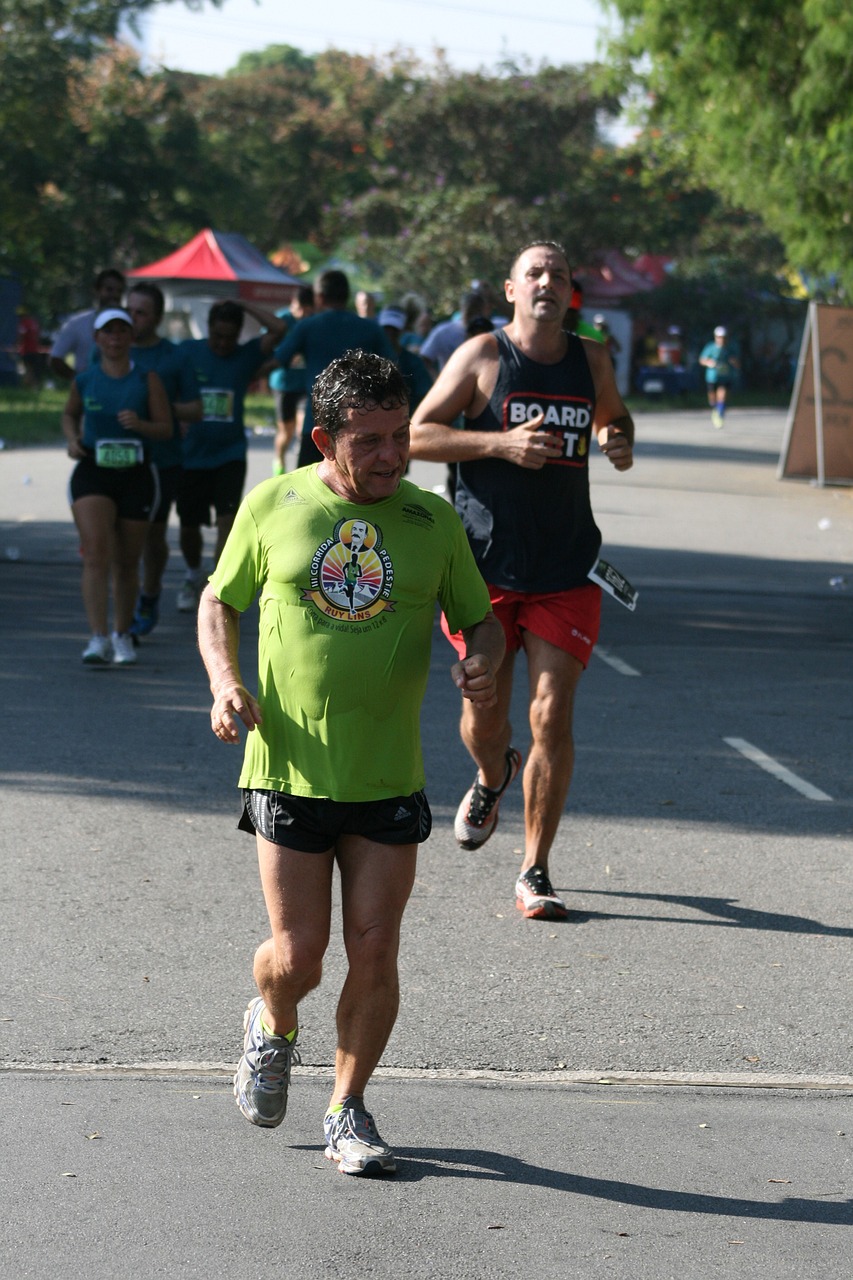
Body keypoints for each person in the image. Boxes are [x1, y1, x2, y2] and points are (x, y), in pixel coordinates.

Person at [197, 349, 504, 1176]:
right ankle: (272, 1025)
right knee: (297, 957)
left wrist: (481, 659)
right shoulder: (276, 503)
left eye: (399, 436)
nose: (392, 456)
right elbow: (218, 602)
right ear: (325, 438)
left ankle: (348, 1107)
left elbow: (482, 621)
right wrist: (226, 683)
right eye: (368, 440)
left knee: (374, 947)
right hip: (288, 768)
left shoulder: (430, 522)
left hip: (388, 776)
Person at [409, 239, 635, 921]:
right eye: (532, 273)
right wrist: (498, 444)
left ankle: (534, 868)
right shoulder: (481, 356)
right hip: (482, 567)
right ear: (511, 289)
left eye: (557, 275)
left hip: (566, 565)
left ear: (569, 293)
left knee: (550, 713)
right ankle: (490, 773)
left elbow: (613, 417)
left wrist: (616, 437)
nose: (545, 283)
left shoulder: (589, 356)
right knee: (483, 711)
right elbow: (418, 433)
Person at [61, 308, 171, 665]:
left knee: (127, 561)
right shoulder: (85, 379)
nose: (114, 338)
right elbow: (69, 414)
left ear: (130, 338)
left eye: (121, 331)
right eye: (107, 332)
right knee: (95, 553)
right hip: (94, 471)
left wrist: (140, 424)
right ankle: (97, 637)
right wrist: (73, 439)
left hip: (136, 475)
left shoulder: (146, 379)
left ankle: (122, 634)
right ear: (97, 339)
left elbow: (165, 428)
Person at [176, 299, 286, 612]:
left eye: (229, 336)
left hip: (230, 454)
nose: (223, 343)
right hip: (191, 456)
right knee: (189, 525)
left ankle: (214, 585)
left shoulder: (246, 355)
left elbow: (279, 328)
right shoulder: (188, 351)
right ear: (208, 327)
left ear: (238, 333)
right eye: (217, 335)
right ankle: (192, 571)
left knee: (227, 521)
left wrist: (243, 304)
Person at [120, 283, 203, 639]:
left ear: (156, 317)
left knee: (153, 538)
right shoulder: (111, 351)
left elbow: (196, 409)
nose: (133, 318)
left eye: (141, 312)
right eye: (130, 310)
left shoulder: (174, 357)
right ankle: (120, 611)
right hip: (117, 461)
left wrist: (157, 409)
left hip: (162, 461)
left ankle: (149, 596)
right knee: (120, 541)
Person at [272, 270, 396, 469]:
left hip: (316, 424)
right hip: (361, 423)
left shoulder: (307, 326)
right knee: (358, 491)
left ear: (319, 297)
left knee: (308, 490)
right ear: (347, 296)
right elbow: (392, 368)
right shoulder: (370, 328)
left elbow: (278, 359)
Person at [269, 285, 316, 476]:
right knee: (286, 433)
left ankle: (299, 472)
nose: (302, 312)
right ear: (292, 304)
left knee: (301, 429)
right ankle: (279, 462)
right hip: (284, 384)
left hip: (304, 385)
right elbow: (269, 345)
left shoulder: (314, 322)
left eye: (306, 308)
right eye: (298, 307)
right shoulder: (281, 320)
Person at [49, 269, 125, 383]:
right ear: (97, 291)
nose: (114, 295)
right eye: (109, 290)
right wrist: (80, 380)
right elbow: (55, 358)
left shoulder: (130, 324)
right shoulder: (77, 323)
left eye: (119, 291)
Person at [377, 305, 433, 415]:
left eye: (394, 329)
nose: (390, 333)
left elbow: (425, 395)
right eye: (387, 328)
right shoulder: (368, 359)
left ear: (402, 330)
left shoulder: (413, 363)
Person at [699, 325, 739, 428]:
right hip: (712, 377)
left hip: (725, 377)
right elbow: (702, 360)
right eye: (719, 337)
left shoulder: (730, 348)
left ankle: (720, 416)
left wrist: (734, 362)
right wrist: (709, 362)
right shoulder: (710, 347)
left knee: (722, 396)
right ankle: (715, 409)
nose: (722, 340)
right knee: (712, 399)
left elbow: (737, 363)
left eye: (724, 337)